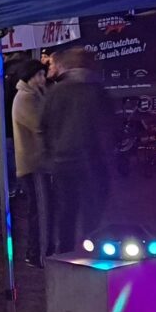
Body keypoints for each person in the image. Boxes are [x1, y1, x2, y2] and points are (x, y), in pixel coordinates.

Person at [40, 48, 115, 253]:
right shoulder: (97, 91)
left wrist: (52, 153)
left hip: (63, 161)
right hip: (93, 161)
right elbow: (108, 127)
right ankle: (91, 252)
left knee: (66, 211)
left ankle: (65, 253)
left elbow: (44, 125)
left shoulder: (56, 91)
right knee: (93, 211)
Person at [12, 60, 51, 267]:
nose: (43, 79)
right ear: (30, 76)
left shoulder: (35, 95)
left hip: (37, 161)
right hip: (34, 163)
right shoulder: (26, 98)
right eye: (39, 75)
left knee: (40, 208)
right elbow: (40, 125)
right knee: (40, 210)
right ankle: (38, 254)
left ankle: (38, 251)